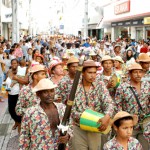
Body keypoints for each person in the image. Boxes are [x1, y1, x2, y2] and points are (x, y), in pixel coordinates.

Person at [72, 60, 114, 150]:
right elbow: (71, 109)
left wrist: (107, 116)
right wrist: (86, 117)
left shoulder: (100, 85)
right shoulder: (74, 86)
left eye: (95, 73)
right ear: (83, 73)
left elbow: (109, 103)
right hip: (78, 128)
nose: (93, 75)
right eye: (90, 73)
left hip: (96, 127)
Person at [19, 78, 70, 149]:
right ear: (38, 94)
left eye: (52, 91)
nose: (50, 95)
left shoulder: (62, 108)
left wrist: (68, 135)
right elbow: (24, 137)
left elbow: (70, 125)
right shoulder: (31, 113)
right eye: (45, 92)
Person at [115, 63, 150, 150]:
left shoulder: (147, 86)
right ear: (130, 74)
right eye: (135, 72)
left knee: (144, 147)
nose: (138, 75)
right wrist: (123, 119)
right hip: (128, 126)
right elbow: (117, 105)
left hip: (145, 125)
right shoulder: (122, 87)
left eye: (140, 72)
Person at [6, 59, 28, 132]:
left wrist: (17, 78)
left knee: (18, 110)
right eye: (12, 63)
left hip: (18, 94)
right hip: (10, 94)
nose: (14, 65)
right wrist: (5, 88)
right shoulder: (9, 71)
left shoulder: (22, 70)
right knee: (11, 110)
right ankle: (17, 122)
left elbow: (26, 82)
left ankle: (19, 123)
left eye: (15, 63)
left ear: (18, 64)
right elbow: (7, 81)